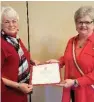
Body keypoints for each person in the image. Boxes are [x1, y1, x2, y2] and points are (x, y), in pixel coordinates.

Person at [47, 6, 94, 102]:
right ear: (76, 24)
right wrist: (58, 62)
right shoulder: (71, 41)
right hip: (70, 89)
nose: (83, 25)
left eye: (87, 22)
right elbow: (69, 58)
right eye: (80, 22)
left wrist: (76, 82)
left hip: (88, 91)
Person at [1, 6, 38, 102]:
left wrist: (31, 61)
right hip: (8, 95)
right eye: (7, 22)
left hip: (22, 91)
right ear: (1, 24)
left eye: (14, 21)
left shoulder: (16, 39)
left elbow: (19, 57)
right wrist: (18, 86)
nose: (11, 24)